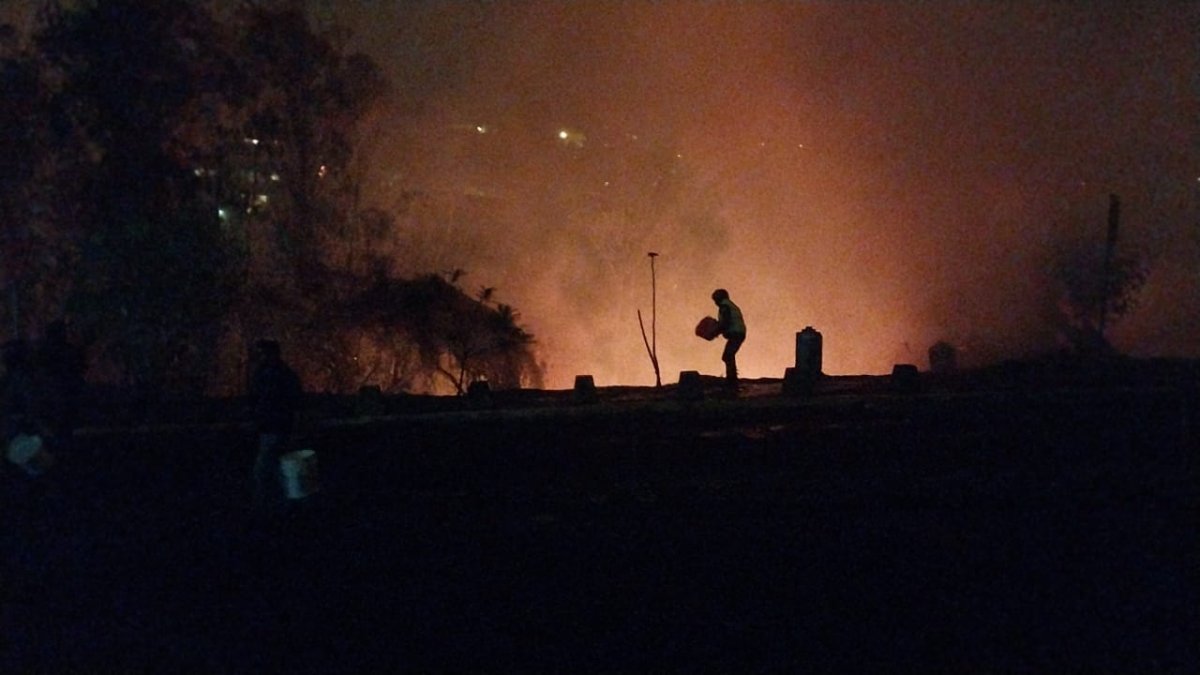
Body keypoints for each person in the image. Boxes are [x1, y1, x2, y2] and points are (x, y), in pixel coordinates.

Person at [249, 339, 303, 512]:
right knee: (277, 468)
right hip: (273, 427)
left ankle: (267, 507)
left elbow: (292, 403)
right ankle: (282, 506)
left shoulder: (276, 375)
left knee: (265, 470)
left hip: (275, 428)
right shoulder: (276, 374)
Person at [711, 288, 746, 389]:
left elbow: (726, 322)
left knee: (727, 356)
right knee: (729, 355)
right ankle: (732, 380)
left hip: (736, 333)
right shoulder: (731, 305)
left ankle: (732, 382)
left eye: (715, 300)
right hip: (739, 333)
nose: (715, 303)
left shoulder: (724, 306)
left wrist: (715, 331)